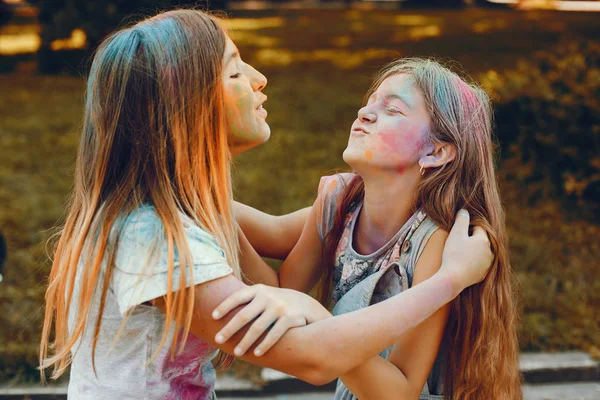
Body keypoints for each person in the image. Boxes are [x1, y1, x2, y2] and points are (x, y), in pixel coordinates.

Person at [39, 9, 493, 399]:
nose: (259, 79)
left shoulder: (179, 212)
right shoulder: (154, 234)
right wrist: (452, 278)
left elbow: (280, 273)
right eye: (235, 72)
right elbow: (311, 356)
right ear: (187, 107)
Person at [219, 59, 521, 399]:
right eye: (371, 100)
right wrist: (201, 198)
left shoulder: (436, 241)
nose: (365, 112)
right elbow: (283, 289)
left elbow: (401, 390)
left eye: (392, 109)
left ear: (435, 152)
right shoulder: (340, 202)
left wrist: (321, 321)